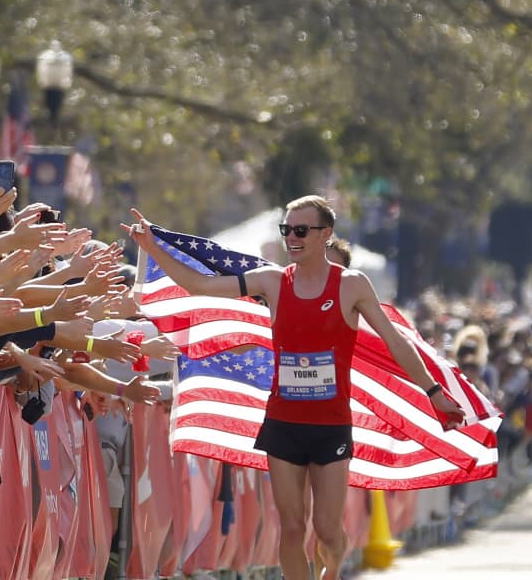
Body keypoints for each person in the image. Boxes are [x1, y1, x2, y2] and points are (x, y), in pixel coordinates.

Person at [124, 195, 463, 580]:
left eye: (301, 230)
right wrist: (153, 249)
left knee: (327, 530)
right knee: (291, 527)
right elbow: (199, 284)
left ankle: (331, 570)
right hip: (283, 422)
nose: (292, 238)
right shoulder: (272, 281)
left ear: (326, 234)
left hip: (331, 425)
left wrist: (433, 392)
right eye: (287, 230)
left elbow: (394, 342)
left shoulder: (352, 285)